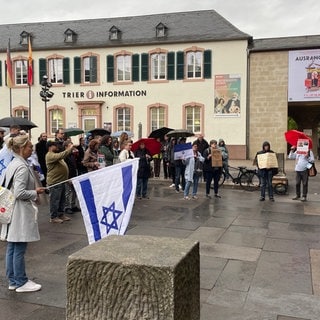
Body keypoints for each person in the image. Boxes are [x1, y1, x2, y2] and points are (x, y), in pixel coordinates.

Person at [1, 135, 45, 292]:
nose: (31, 149)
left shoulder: (13, 163)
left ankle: (13, 280)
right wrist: (36, 191)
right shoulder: (20, 166)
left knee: (12, 247)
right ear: (20, 148)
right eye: (29, 147)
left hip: (12, 210)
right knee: (18, 246)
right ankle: (20, 281)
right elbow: (19, 192)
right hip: (19, 210)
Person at [46, 140, 74, 223]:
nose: (57, 147)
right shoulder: (50, 155)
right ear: (50, 147)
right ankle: (53, 216)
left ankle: (61, 214)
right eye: (55, 145)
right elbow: (62, 155)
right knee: (55, 200)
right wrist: (69, 149)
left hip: (61, 181)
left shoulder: (55, 155)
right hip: (55, 182)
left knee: (62, 199)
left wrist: (66, 179)